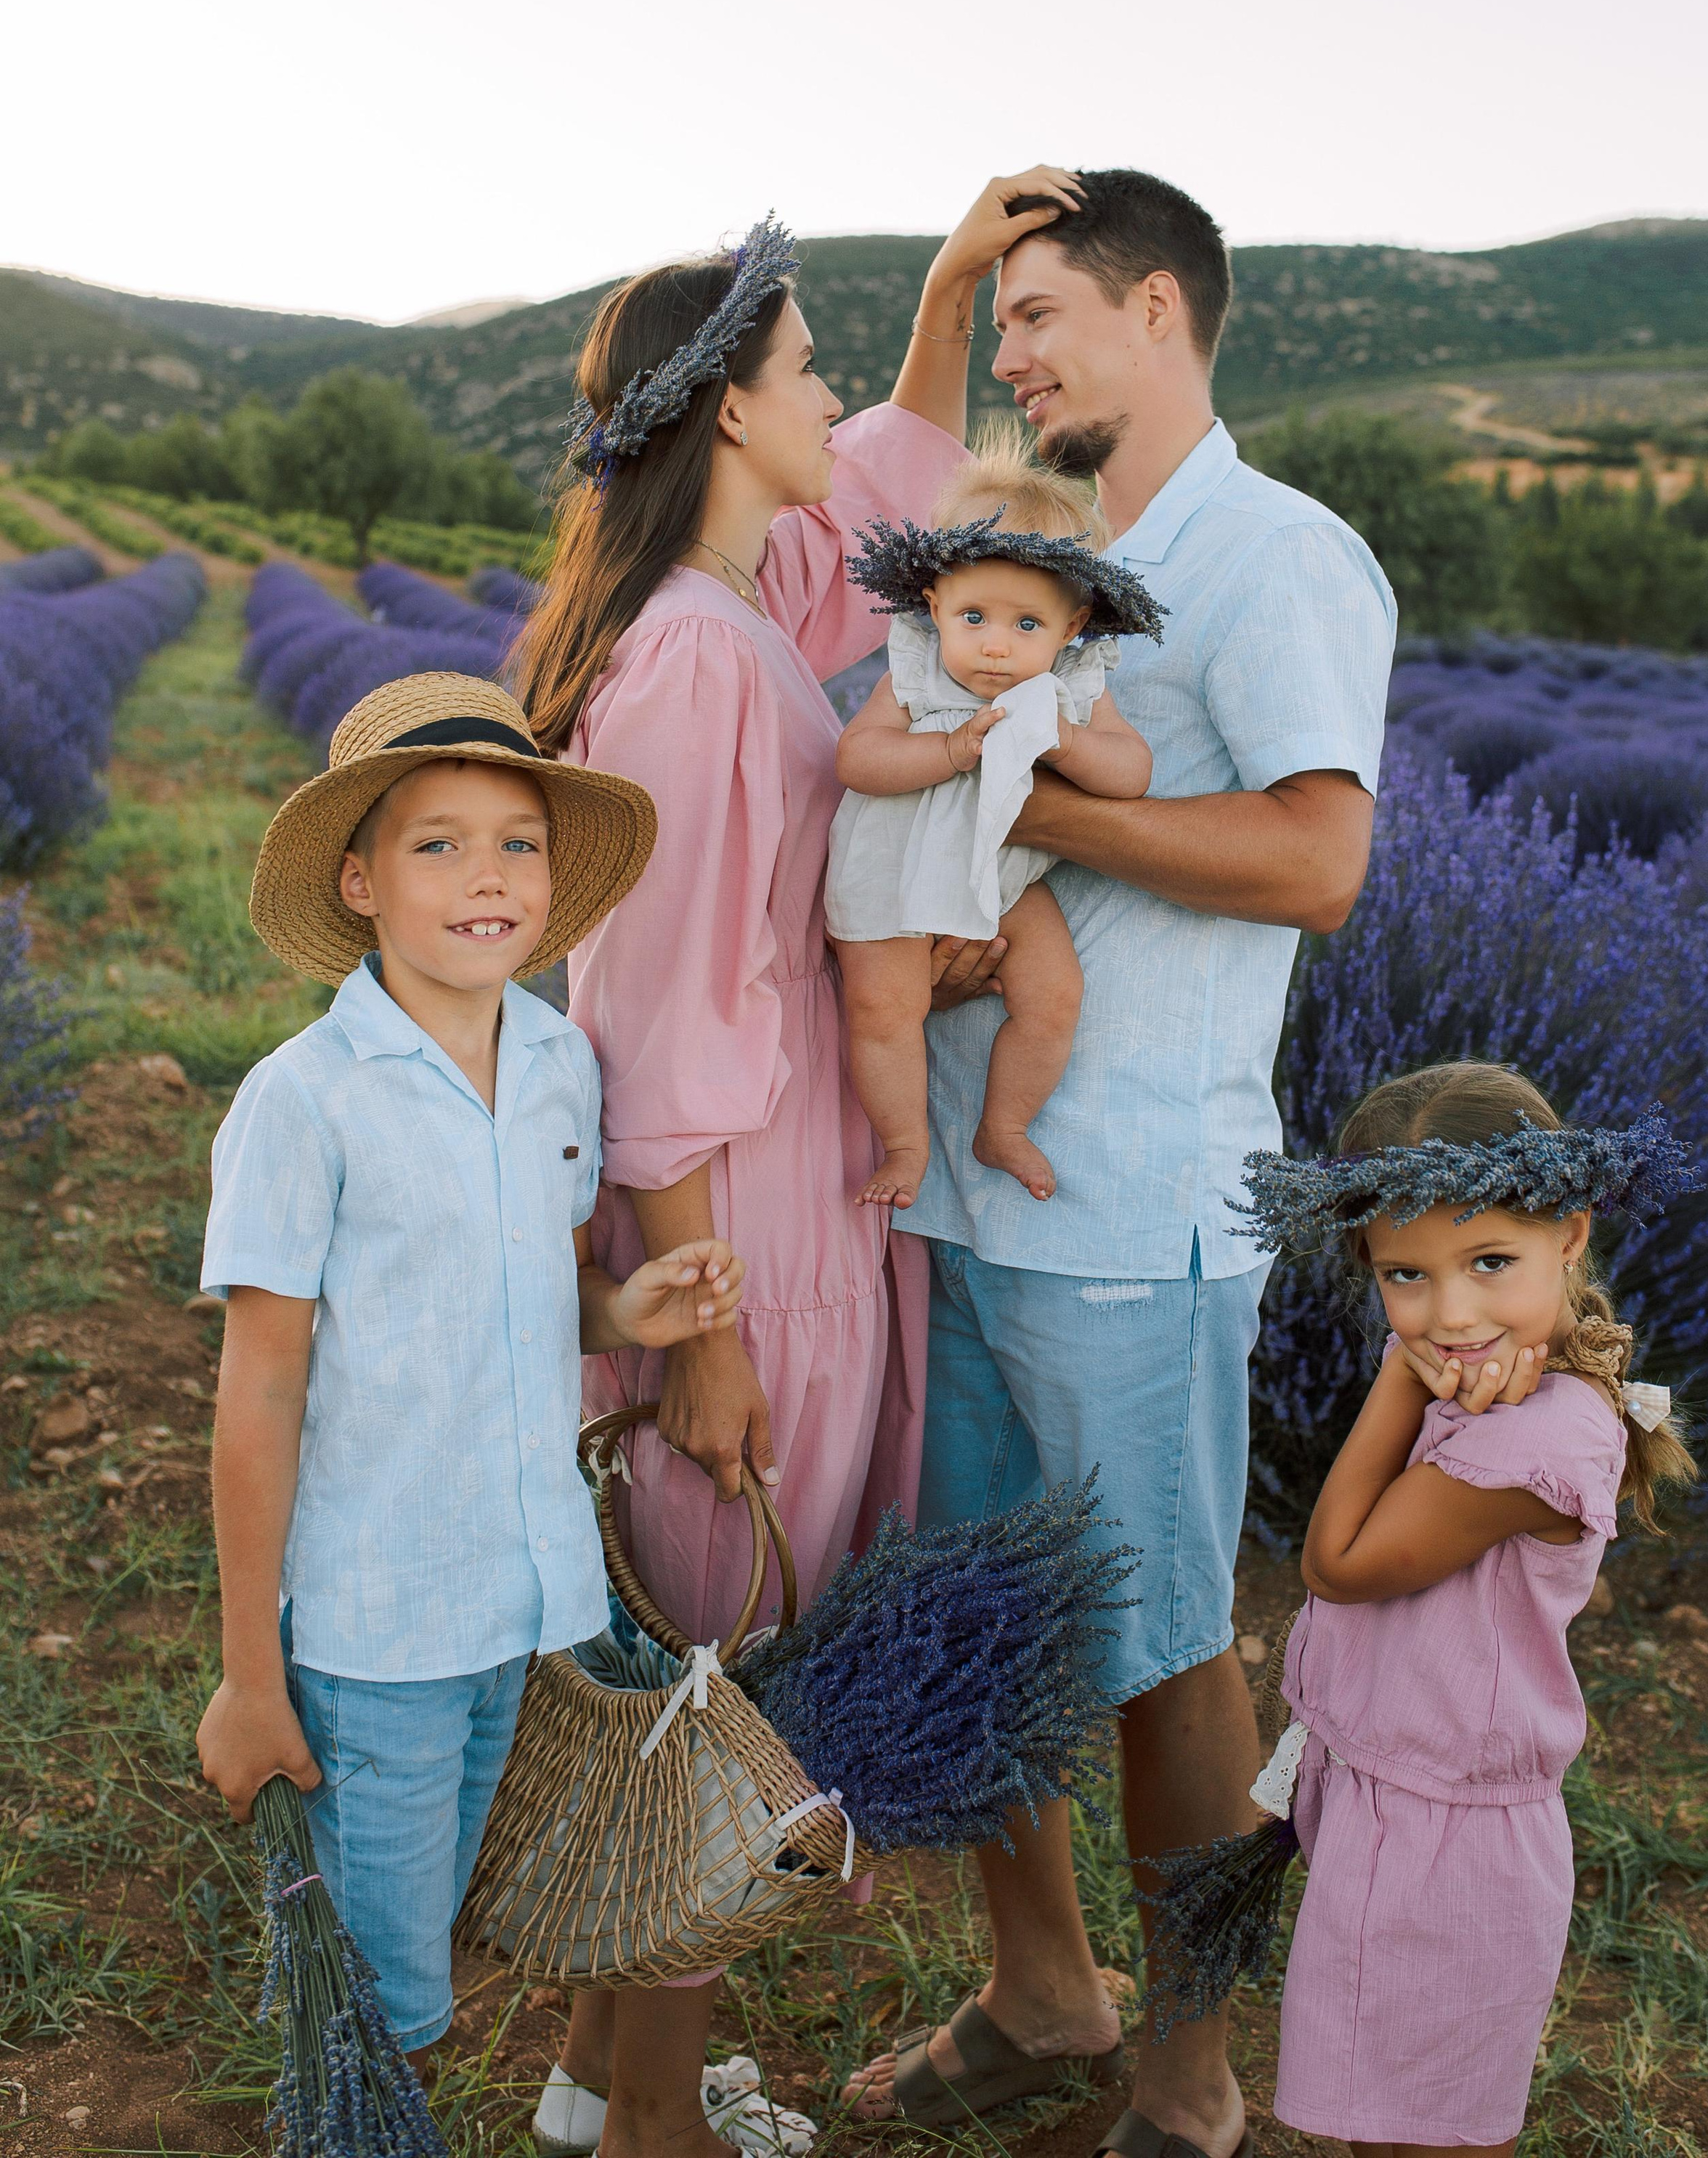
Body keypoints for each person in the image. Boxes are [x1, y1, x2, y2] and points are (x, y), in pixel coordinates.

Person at [511, 184, 1080, 2158]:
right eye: (804, 365)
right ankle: (653, 2130)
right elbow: (652, 1015)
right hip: (732, 1224)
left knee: (713, 1657)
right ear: (729, 416)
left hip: (780, 1201)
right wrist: (701, 1331)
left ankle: (603, 2083)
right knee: (717, 1689)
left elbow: (882, 510)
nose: (830, 391)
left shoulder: (748, 610)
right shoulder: (689, 659)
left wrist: (938, 300)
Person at [844, 166, 1398, 2158]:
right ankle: (1041, 1990)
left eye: (1042, 315)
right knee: (971, 1604)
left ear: (1160, 309)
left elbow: (1319, 862)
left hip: (1136, 1202)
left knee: (1164, 1649)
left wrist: (1049, 829)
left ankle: (1188, 2064)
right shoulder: (1038, 549)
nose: (1016, 356)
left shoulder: (1278, 560)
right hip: (967, 1191)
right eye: (1000, 327)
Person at [195, 674, 748, 2068]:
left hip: (528, 1597)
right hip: (378, 1626)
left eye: (518, 842)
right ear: (361, 882)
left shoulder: (559, 1062)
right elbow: (257, 1395)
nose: (486, 876)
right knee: (386, 2000)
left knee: (436, 1927)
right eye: (437, 843)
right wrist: (250, 1677)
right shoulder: (307, 1099)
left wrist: (635, 1306)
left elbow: (534, 1304)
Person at [1240, 1060, 1695, 2158]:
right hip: (1406, 1805)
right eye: (1405, 1278)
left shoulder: (1531, 1442)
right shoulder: (1506, 1394)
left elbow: (1339, 1562)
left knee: (1422, 2131)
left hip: (1447, 1852)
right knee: (1382, 2118)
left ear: (1570, 1235)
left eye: (1491, 1262)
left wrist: (1399, 1377)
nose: (1449, 1314)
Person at [826, 428, 1160, 1206]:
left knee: (1053, 996)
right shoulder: (915, 668)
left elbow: (1130, 773)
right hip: (895, 862)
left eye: (1026, 626)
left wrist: (1066, 742)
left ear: (1072, 627)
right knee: (884, 1009)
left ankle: (1004, 1126)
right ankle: (904, 1146)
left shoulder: (1074, 684)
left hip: (1006, 870)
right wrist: (950, 752)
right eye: (973, 616)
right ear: (934, 603)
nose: (997, 650)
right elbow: (857, 759)